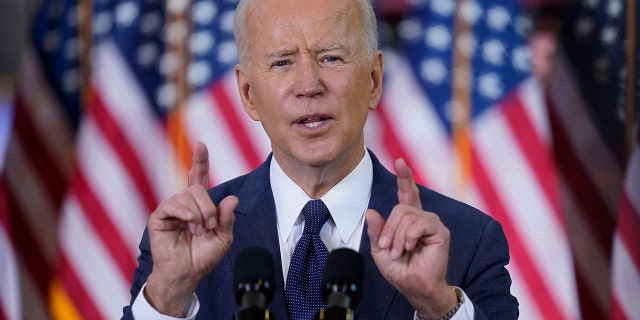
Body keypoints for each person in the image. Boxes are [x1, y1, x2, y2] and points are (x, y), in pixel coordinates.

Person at [121, 0, 518, 319]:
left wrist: (438, 306)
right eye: (282, 62)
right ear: (248, 94)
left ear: (374, 80)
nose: (309, 85)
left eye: (330, 57)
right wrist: (168, 295)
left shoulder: (467, 241)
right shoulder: (183, 244)